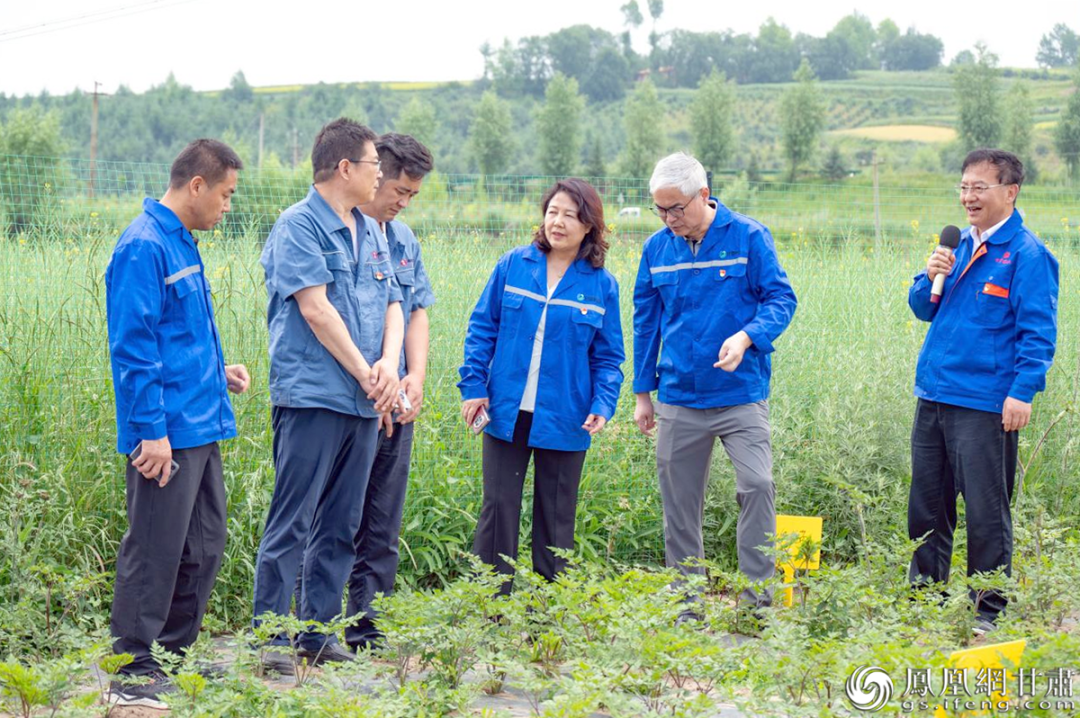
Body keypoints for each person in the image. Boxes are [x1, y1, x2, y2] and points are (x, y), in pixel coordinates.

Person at [253, 118, 404, 670]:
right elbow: (316, 310)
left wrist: (389, 364)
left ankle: (317, 634)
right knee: (292, 519)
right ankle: (271, 637)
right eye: (374, 166)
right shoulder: (298, 226)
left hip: (364, 400)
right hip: (314, 395)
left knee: (342, 522)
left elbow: (395, 301)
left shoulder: (369, 229)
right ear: (345, 168)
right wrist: (370, 372)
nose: (380, 175)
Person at [105, 139, 250, 708]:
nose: (227, 206)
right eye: (226, 194)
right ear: (197, 185)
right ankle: (132, 667)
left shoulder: (179, 240)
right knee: (156, 547)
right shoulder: (143, 247)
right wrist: (151, 433)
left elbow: (176, 336)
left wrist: (221, 372)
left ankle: (172, 655)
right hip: (165, 433)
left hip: (200, 422)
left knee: (205, 544)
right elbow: (134, 349)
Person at [632, 152, 797, 620]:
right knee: (679, 503)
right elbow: (646, 323)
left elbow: (782, 298)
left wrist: (747, 337)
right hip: (679, 396)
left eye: (676, 209)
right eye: (659, 210)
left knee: (757, 484)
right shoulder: (656, 249)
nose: (668, 220)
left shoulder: (748, 236)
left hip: (740, 393)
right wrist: (644, 394)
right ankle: (687, 605)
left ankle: (757, 605)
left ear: (703, 195)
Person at [294, 133, 436, 652]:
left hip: (394, 397)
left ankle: (368, 624)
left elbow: (414, 309)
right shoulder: (329, 230)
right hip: (351, 396)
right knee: (333, 518)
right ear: (371, 174)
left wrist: (413, 378)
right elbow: (323, 315)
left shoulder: (402, 241)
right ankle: (315, 624)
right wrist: (370, 380)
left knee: (382, 518)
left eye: (412, 196)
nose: (401, 201)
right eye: (398, 188)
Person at [907, 148, 1058, 634]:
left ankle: (988, 610)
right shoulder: (956, 245)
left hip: (986, 403)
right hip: (934, 393)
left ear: (1009, 192)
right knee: (928, 505)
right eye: (964, 187)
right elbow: (922, 308)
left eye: (979, 187)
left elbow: (1038, 334)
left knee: (986, 509)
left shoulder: (1028, 256)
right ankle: (925, 597)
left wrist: (1023, 392)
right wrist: (930, 274)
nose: (968, 197)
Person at [458, 178, 624, 594]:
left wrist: (603, 402)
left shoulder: (601, 285)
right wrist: (473, 386)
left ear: (589, 225)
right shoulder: (513, 265)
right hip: (505, 410)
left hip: (565, 415)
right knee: (499, 508)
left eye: (570, 214)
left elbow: (608, 356)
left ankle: (548, 610)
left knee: (556, 514)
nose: (559, 221)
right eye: (553, 212)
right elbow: (482, 329)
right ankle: (491, 603)